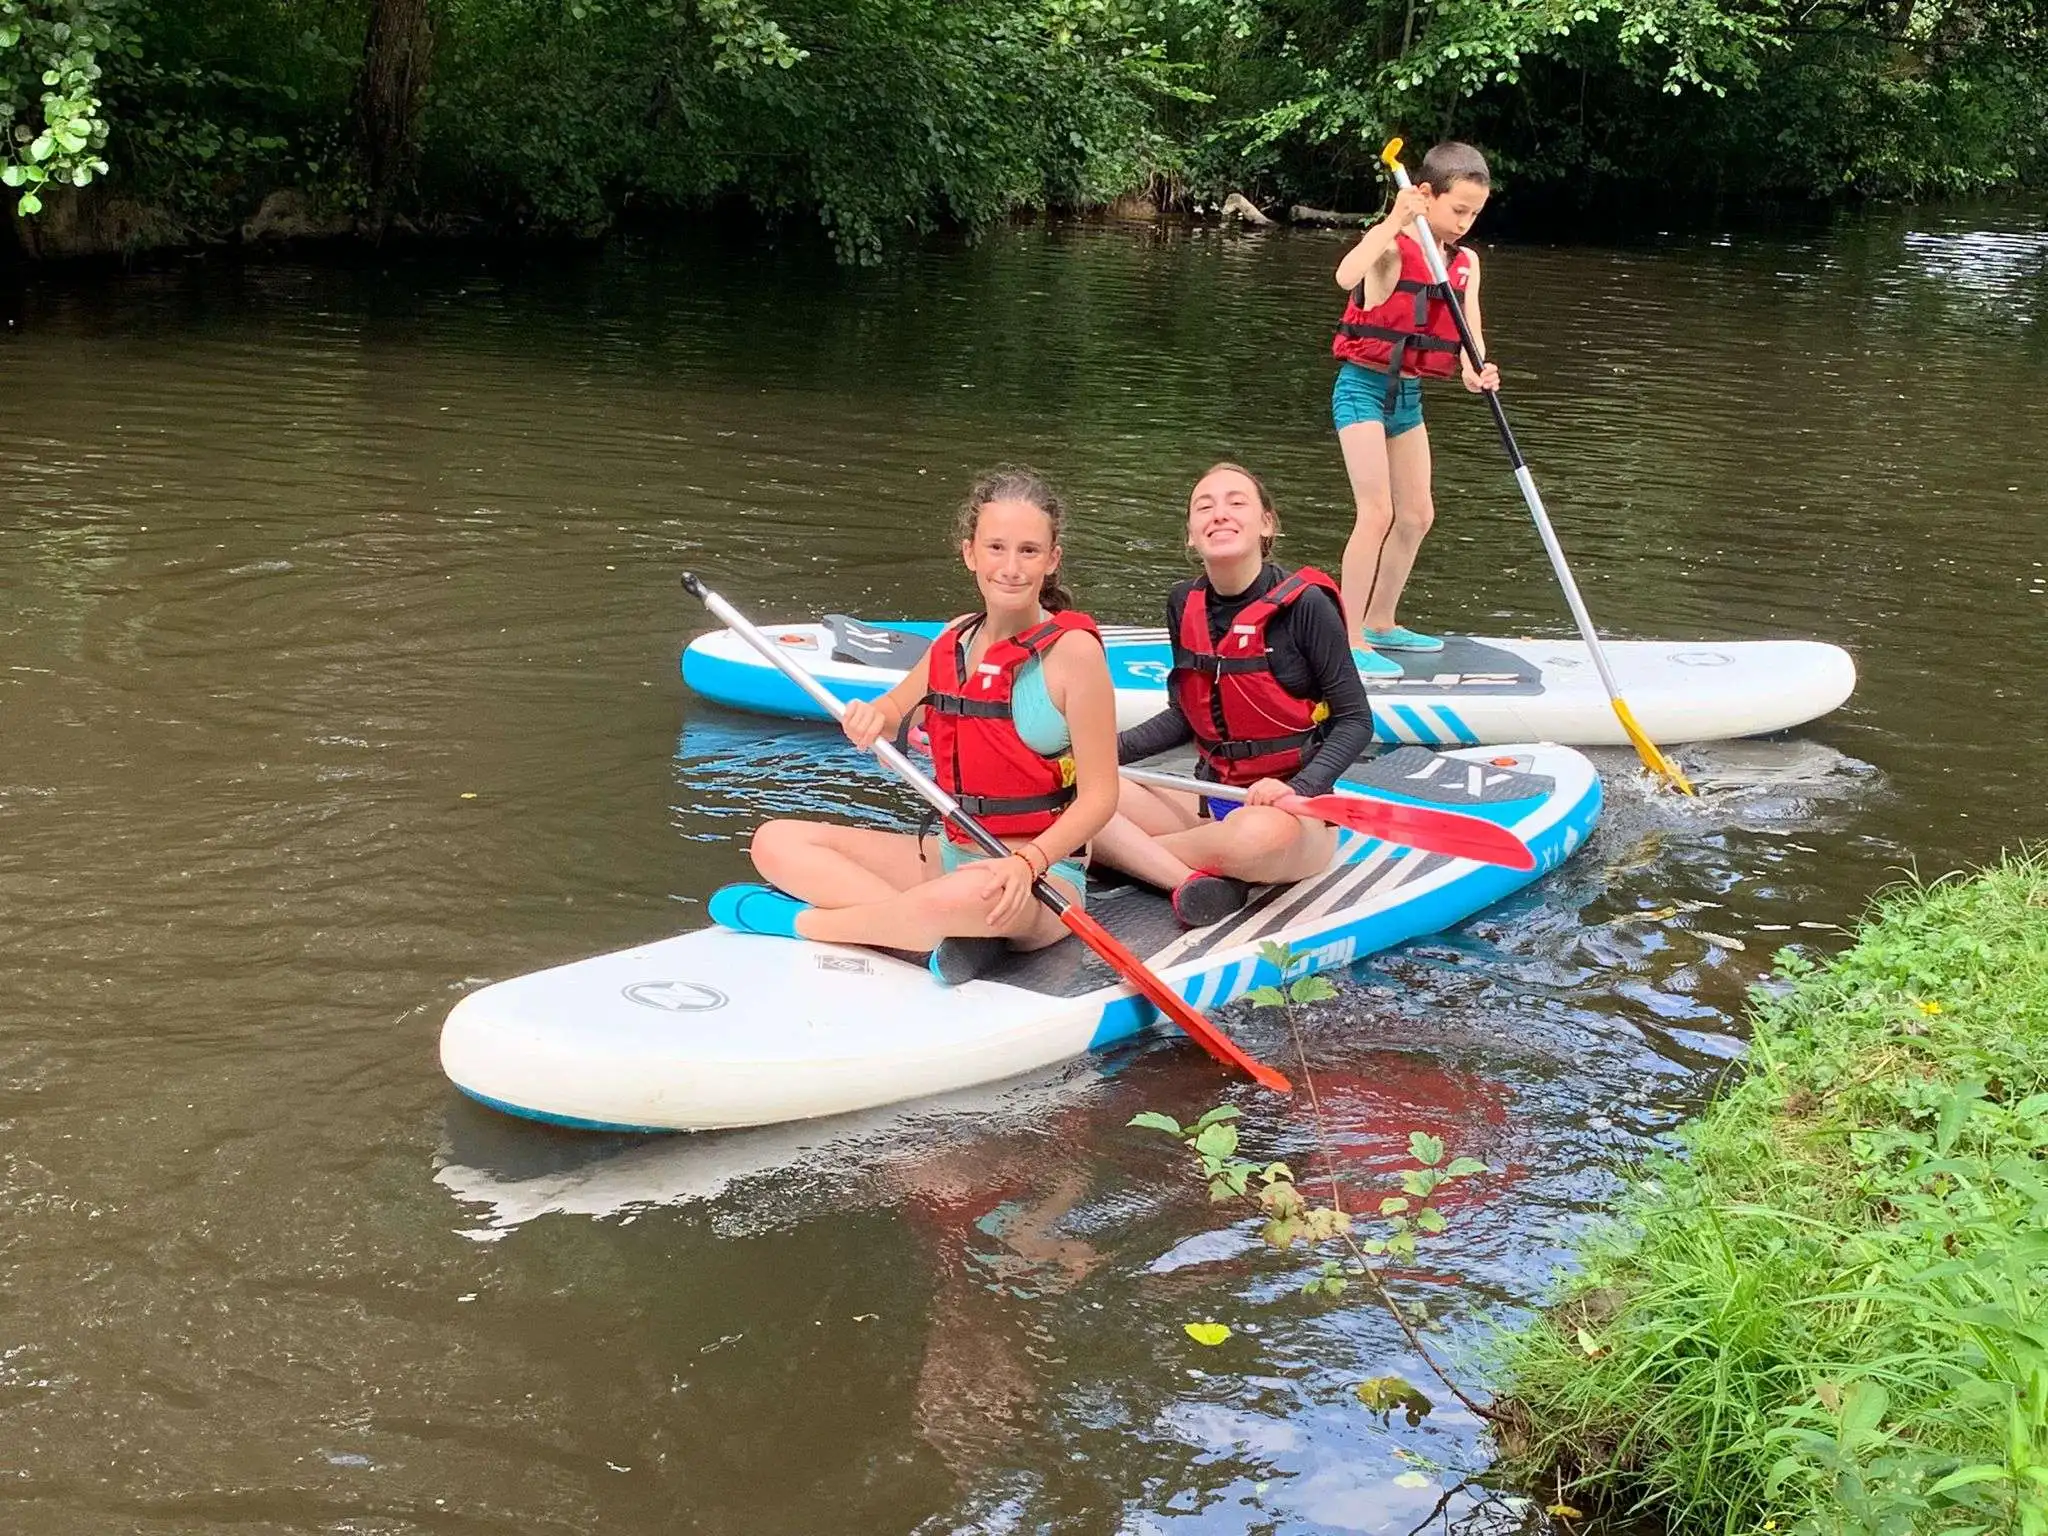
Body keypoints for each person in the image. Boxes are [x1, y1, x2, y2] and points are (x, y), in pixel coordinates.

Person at [707, 467, 1120, 985]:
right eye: (996, 548)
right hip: (951, 853)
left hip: (1034, 879)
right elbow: (892, 709)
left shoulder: (1073, 653)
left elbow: (1101, 797)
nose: (1010, 567)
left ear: (1052, 560)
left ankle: (807, 924)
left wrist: (1028, 862)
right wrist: (869, 717)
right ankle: (930, 930)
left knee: (964, 895)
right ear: (970, 553)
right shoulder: (953, 640)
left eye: (1029, 551)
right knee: (774, 840)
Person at [1091, 463, 1375, 927]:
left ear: (1267, 524)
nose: (1219, 514)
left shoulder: (1307, 606)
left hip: (1290, 815)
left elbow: (1356, 722)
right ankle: (1189, 874)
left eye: (1236, 503)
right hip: (1211, 801)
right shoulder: (1184, 603)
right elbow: (1185, 717)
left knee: (1252, 838)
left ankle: (1117, 857)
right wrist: (1095, 755)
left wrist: (1295, 787)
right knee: (1085, 788)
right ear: (1190, 535)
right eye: (1205, 506)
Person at [1330, 140, 1503, 672]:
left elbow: (1471, 339)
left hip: (1407, 396)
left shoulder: (1465, 263)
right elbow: (1345, 275)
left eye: (1475, 213)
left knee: (1418, 515)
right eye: (1458, 210)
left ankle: (1382, 621)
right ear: (1424, 195)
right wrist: (1391, 221)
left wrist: (1480, 373)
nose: (1466, 223)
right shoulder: (1391, 245)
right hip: (1360, 387)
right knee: (1377, 512)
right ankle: (1350, 639)